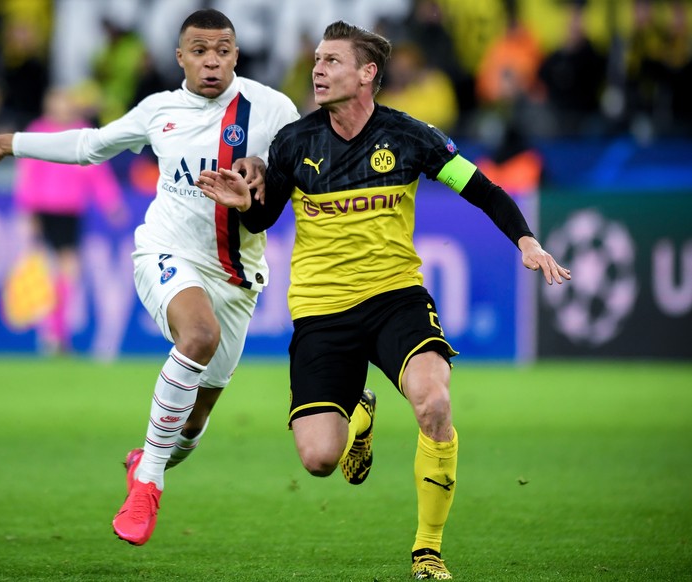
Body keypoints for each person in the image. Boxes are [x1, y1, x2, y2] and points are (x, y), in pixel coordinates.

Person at [197, 20, 570, 580]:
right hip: (322, 310)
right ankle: (360, 412)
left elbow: (483, 189)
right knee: (319, 459)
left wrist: (527, 241)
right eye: (317, 61)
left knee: (434, 403)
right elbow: (264, 218)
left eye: (332, 61)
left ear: (367, 73)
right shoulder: (295, 141)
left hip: (395, 297)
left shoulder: (410, 136)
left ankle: (427, 550)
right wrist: (243, 205)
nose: (318, 70)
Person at [0, 9, 299, 547]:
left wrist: (261, 169)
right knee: (198, 335)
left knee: (192, 424)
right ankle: (149, 483)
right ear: (180, 57)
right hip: (166, 251)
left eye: (222, 50)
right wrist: (14, 142)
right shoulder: (159, 110)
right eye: (200, 50)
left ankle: (148, 460)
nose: (212, 61)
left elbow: (292, 174)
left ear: (236, 54)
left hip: (237, 276)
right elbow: (90, 145)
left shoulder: (274, 109)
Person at [11, 86, 128, 353]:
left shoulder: (82, 132)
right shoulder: (38, 131)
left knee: (67, 273)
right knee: (52, 271)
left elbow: (97, 171)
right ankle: (52, 332)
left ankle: (56, 333)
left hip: (71, 211)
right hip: (43, 210)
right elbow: (27, 174)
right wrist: (26, 211)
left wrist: (111, 202)